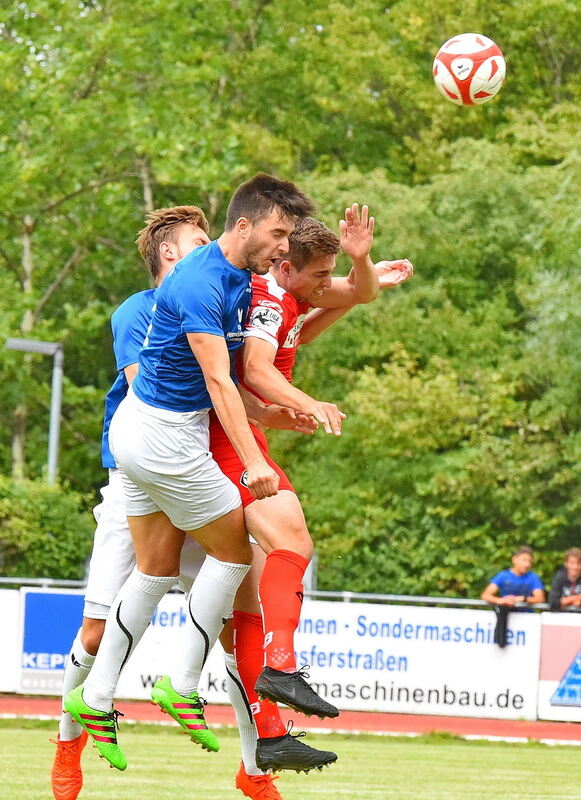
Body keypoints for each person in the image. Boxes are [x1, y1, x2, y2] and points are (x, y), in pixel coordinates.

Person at [64, 174, 316, 773]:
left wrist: (360, 276)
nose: (283, 245)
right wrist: (254, 460)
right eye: (277, 233)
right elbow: (216, 382)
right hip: (163, 444)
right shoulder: (199, 283)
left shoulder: (234, 275)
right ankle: (178, 683)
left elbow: (292, 299)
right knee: (236, 559)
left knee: (155, 572)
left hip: (145, 441)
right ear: (245, 225)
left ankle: (97, 697)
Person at [204, 209, 413, 772]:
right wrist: (308, 403)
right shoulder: (272, 298)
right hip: (227, 440)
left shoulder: (297, 290)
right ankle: (280, 666)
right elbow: (258, 370)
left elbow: (360, 293)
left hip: (243, 432)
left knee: (247, 603)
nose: (328, 284)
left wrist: (362, 260)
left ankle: (270, 734)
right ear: (288, 267)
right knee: (292, 541)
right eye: (319, 276)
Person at [481, 545, 545, 648]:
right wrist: (500, 601)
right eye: (524, 560)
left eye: (529, 561)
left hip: (526, 622)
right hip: (506, 618)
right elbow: (486, 595)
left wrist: (523, 599)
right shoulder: (503, 576)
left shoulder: (533, 577)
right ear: (514, 559)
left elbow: (540, 598)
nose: (527, 564)